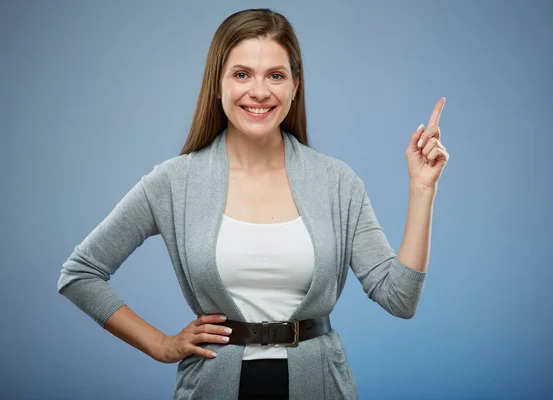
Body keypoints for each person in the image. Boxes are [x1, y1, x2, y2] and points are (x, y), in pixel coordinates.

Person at [57, 8, 449, 400]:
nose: (259, 91)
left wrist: (422, 189)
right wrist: (161, 345)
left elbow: (399, 298)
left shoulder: (336, 182)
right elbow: (81, 274)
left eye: (275, 75)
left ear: (295, 86)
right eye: (242, 74)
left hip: (320, 386)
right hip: (212, 386)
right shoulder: (175, 182)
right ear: (218, 84)